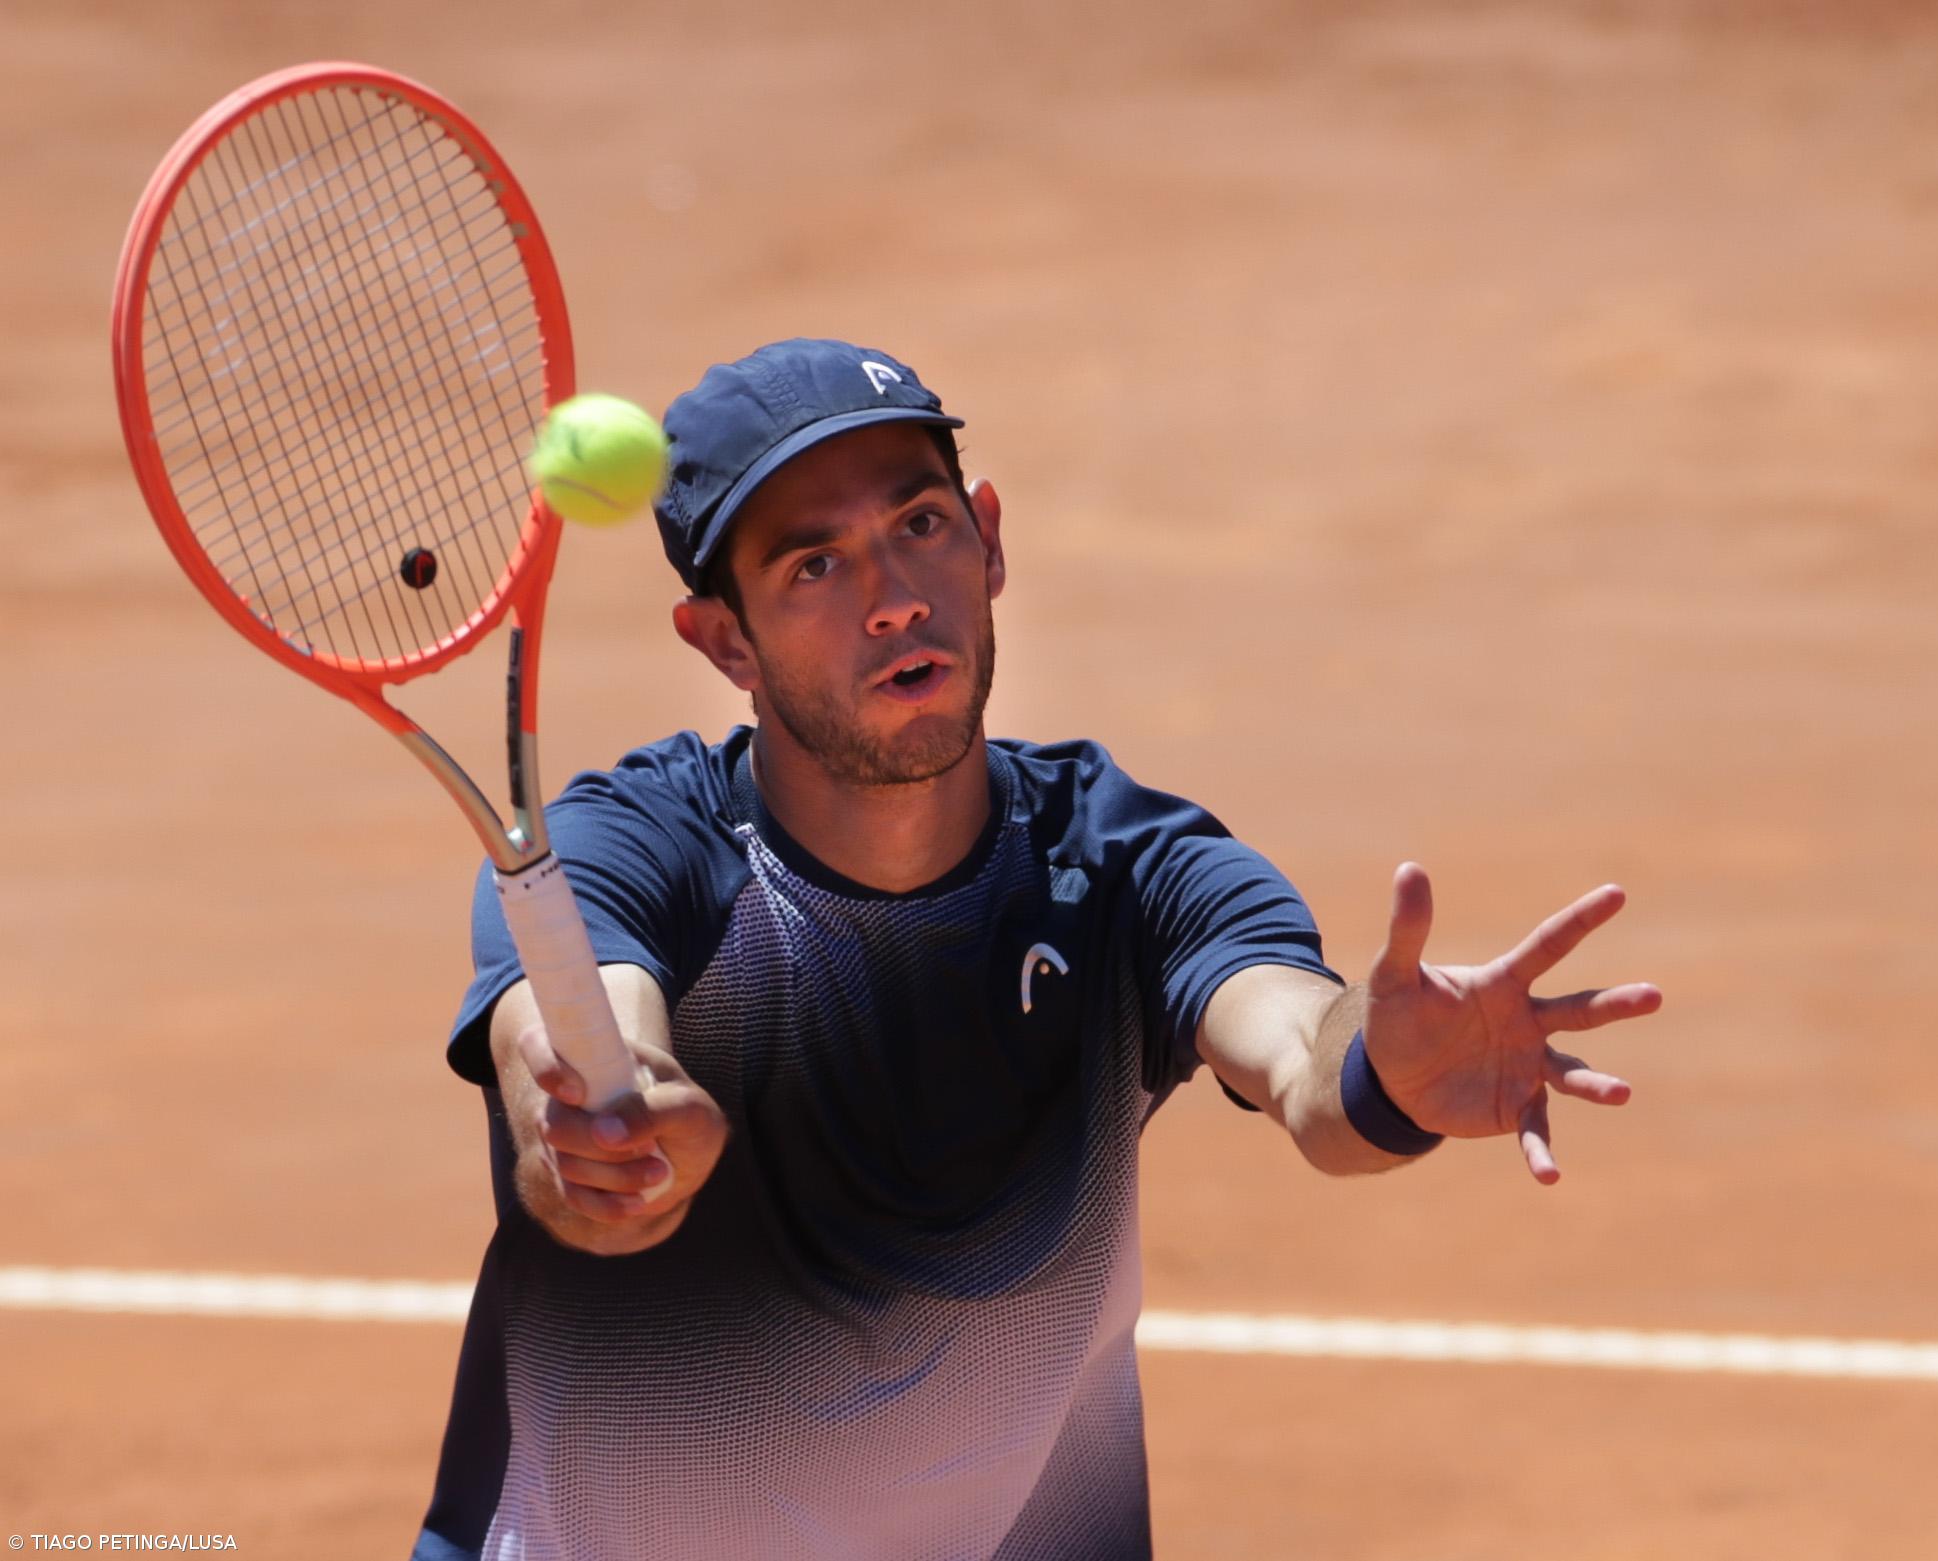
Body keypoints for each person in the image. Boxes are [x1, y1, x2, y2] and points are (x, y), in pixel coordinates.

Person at [411, 338, 1662, 1561]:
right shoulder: (633, 844)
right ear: (722, 641)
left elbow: (1297, 1043)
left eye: (920, 524)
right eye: (812, 567)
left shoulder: (1123, 860)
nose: (894, 594)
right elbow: (567, 1041)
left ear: (989, 536)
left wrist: (1377, 1075)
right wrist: (612, 1127)